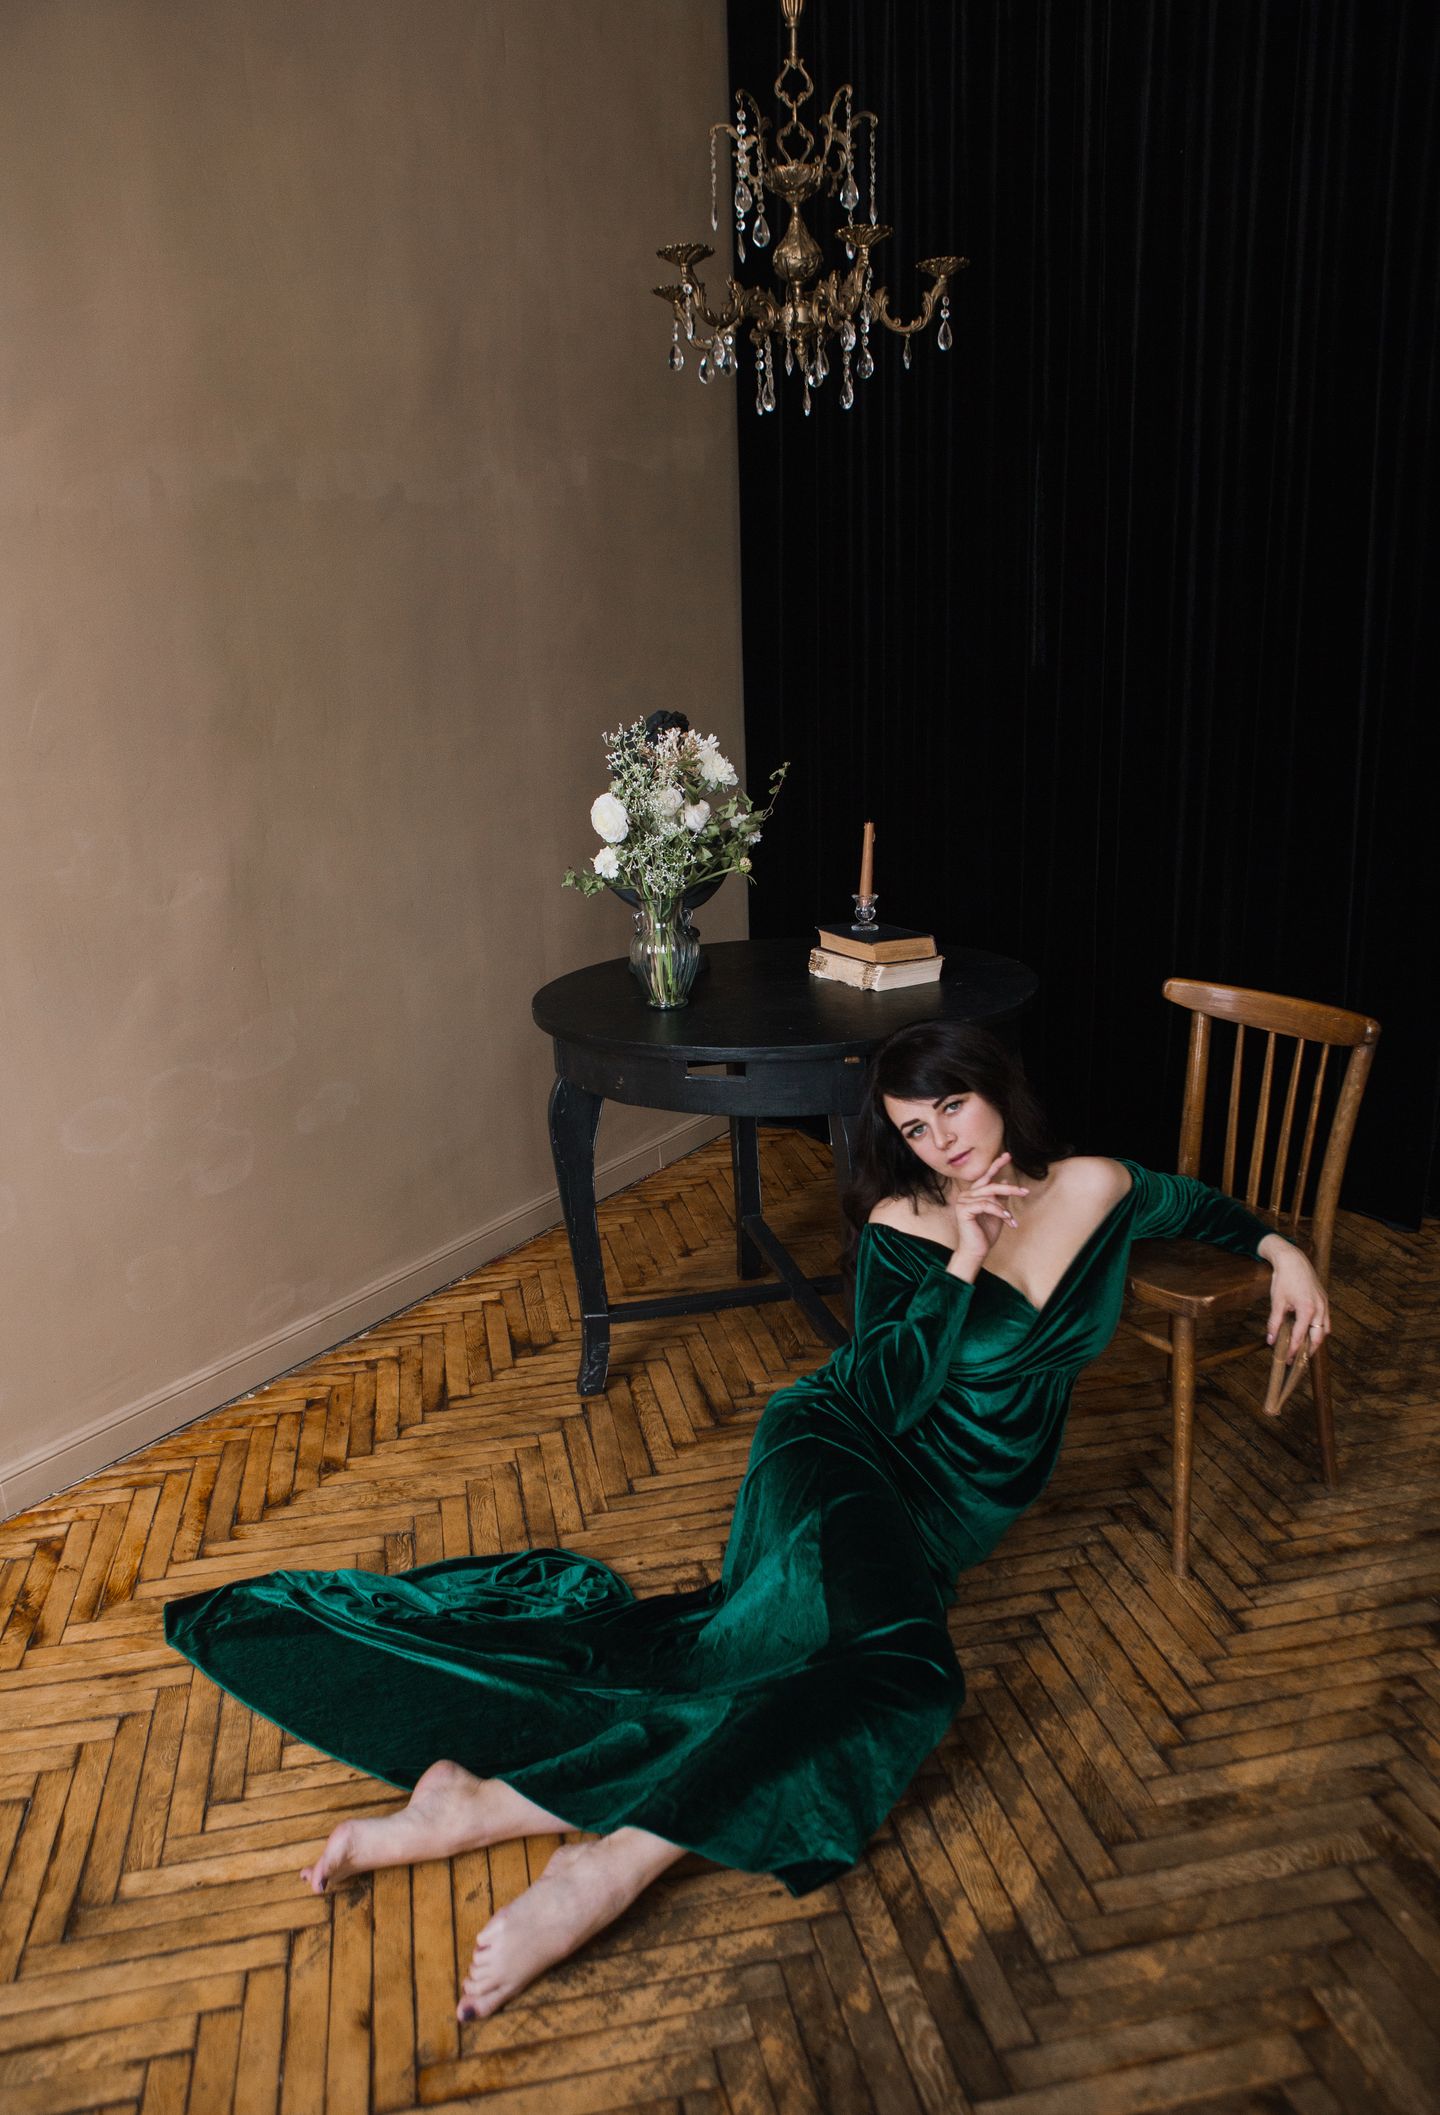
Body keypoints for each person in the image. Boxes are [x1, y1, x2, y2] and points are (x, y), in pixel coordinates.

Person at [164, 1021, 1329, 2021]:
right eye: (914, 1128)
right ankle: (611, 1866)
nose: (941, 1141)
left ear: (994, 1090)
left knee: (795, 1666)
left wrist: (1287, 1255)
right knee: (906, 1675)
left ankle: (481, 1803)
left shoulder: (1095, 1188)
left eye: (952, 1108)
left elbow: (1200, 1207)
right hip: (843, 1458)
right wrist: (965, 1260)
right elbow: (882, 1393)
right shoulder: (906, 1223)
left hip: (947, 1524)